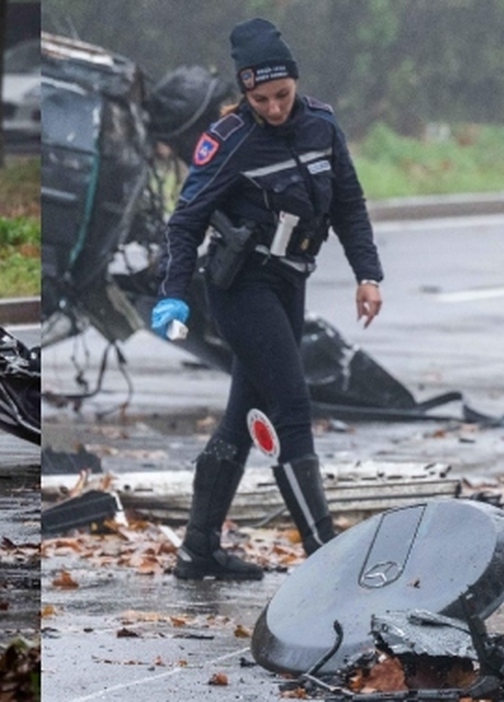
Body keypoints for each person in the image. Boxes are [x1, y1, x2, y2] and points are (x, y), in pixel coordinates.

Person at [150, 18, 384, 580]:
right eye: (261, 98)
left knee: (239, 420)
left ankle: (198, 550)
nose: (274, 108)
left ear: (295, 84)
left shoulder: (322, 125)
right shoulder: (229, 140)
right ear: (244, 92)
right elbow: (186, 221)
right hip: (241, 286)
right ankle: (323, 555)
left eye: (282, 95)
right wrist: (173, 294)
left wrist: (367, 274)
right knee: (292, 406)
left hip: (290, 281)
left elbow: (348, 203)